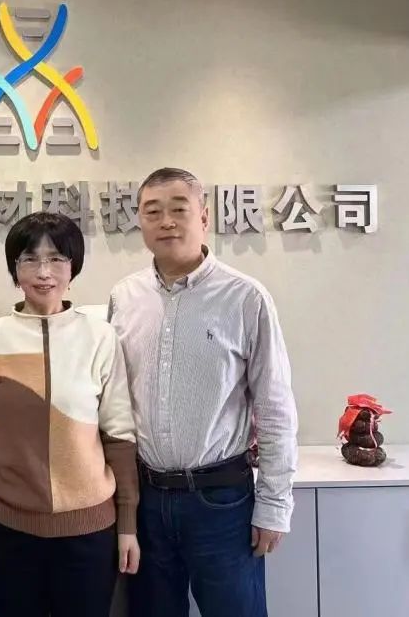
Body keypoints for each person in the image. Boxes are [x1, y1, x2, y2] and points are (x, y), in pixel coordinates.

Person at [108, 167, 299, 617]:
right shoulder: (124, 296)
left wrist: (274, 504)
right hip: (147, 500)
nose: (166, 222)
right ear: (140, 221)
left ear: (205, 218)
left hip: (222, 501)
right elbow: (113, 400)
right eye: (152, 212)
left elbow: (274, 407)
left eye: (179, 209)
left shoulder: (245, 297)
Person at [0, 211, 140, 617]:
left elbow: (119, 434)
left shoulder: (99, 336)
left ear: (73, 267)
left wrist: (127, 523)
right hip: (9, 530)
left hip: (90, 531)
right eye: (30, 260)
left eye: (57, 259)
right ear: (15, 269)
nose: (43, 272)